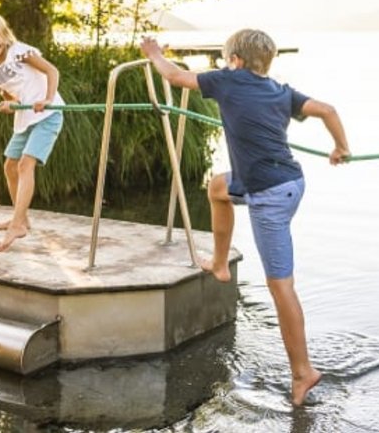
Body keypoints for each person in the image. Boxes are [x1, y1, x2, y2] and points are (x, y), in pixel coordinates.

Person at [139, 29, 350, 407]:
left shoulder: (229, 80)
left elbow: (174, 76)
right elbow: (328, 110)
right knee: (218, 188)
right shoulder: (281, 91)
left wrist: (153, 53)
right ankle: (220, 264)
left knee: (281, 286)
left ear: (234, 61)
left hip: (269, 195)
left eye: (226, 60)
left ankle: (303, 372)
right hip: (289, 182)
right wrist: (341, 147)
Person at [0, 11, 65, 252]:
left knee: (25, 165)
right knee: (10, 166)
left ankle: (16, 225)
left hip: (48, 115)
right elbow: (11, 95)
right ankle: (21, 219)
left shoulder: (20, 52)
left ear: (4, 34)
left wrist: (48, 98)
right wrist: (9, 104)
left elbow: (52, 71)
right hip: (25, 118)